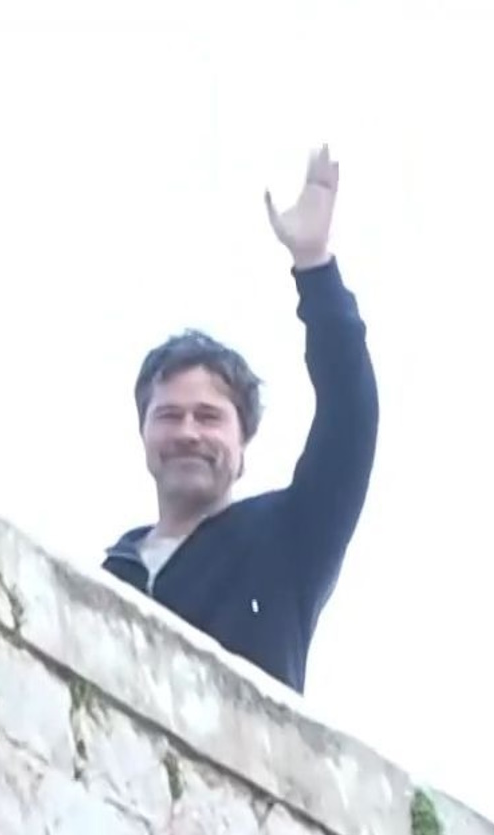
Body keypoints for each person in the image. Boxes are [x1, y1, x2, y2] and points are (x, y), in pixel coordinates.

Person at [102, 145, 379, 693]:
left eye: (208, 417)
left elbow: (350, 417)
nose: (188, 432)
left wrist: (314, 266)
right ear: (144, 433)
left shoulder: (288, 539)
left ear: (243, 441)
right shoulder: (112, 575)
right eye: (169, 415)